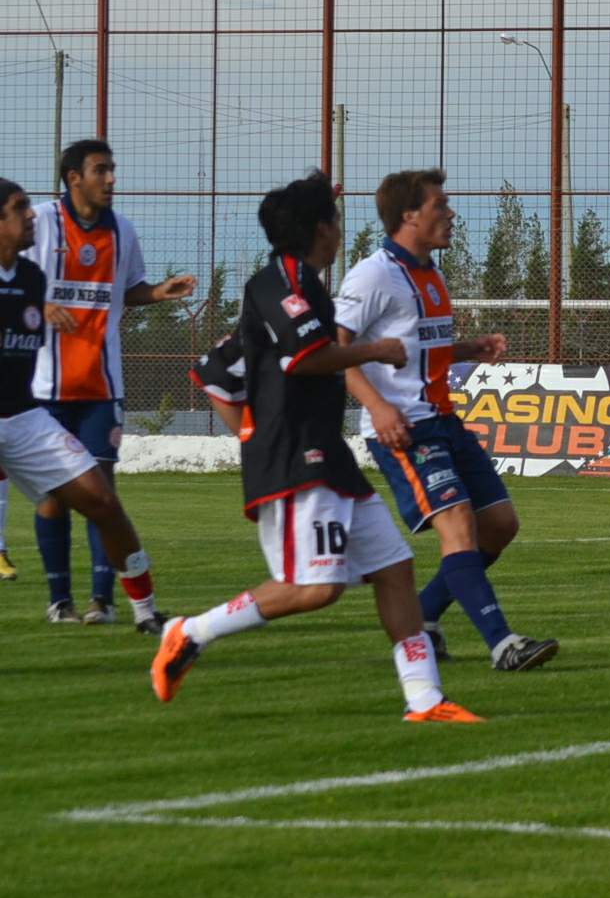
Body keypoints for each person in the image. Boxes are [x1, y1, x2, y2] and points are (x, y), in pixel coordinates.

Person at [155, 172, 482, 722]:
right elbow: (307, 357)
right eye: (333, 220)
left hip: (326, 456)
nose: (339, 230)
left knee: (395, 568)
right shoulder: (277, 283)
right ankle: (189, 632)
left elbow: (216, 371)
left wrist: (248, 427)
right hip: (294, 461)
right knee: (314, 590)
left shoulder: (305, 288)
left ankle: (425, 700)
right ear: (317, 229)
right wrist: (374, 351)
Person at [337, 169, 558, 672]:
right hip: (405, 429)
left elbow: (418, 346)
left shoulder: (431, 274)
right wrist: (376, 406)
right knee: (457, 526)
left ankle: (423, 615)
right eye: (441, 204)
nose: (451, 213)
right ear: (408, 215)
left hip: (443, 419)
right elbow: (336, 349)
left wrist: (467, 349)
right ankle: (503, 644)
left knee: (499, 526)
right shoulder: (372, 274)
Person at [29, 139, 196, 626]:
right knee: (54, 495)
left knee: (103, 493)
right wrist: (38, 307)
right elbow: (10, 283)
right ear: (72, 177)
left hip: (102, 385)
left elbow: (129, 291)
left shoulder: (123, 230)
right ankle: (60, 599)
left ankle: (103, 600)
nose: (111, 179)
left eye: (112, 170)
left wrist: (158, 293)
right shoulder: (38, 223)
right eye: (101, 170)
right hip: (43, 387)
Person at [0, 178, 169, 631]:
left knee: (102, 501)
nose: (31, 214)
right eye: (19, 209)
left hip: (24, 417)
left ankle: (145, 612)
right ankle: (63, 599)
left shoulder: (33, 278)